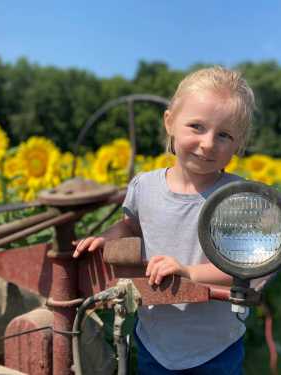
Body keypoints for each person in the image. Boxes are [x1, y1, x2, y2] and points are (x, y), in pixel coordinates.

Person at [73, 66, 256, 374]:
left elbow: (242, 268)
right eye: (196, 126)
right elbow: (131, 225)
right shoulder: (144, 187)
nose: (208, 143)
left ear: (238, 145)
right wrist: (108, 238)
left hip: (214, 347)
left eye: (224, 135)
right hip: (155, 339)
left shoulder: (237, 199)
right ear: (170, 122)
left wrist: (187, 273)